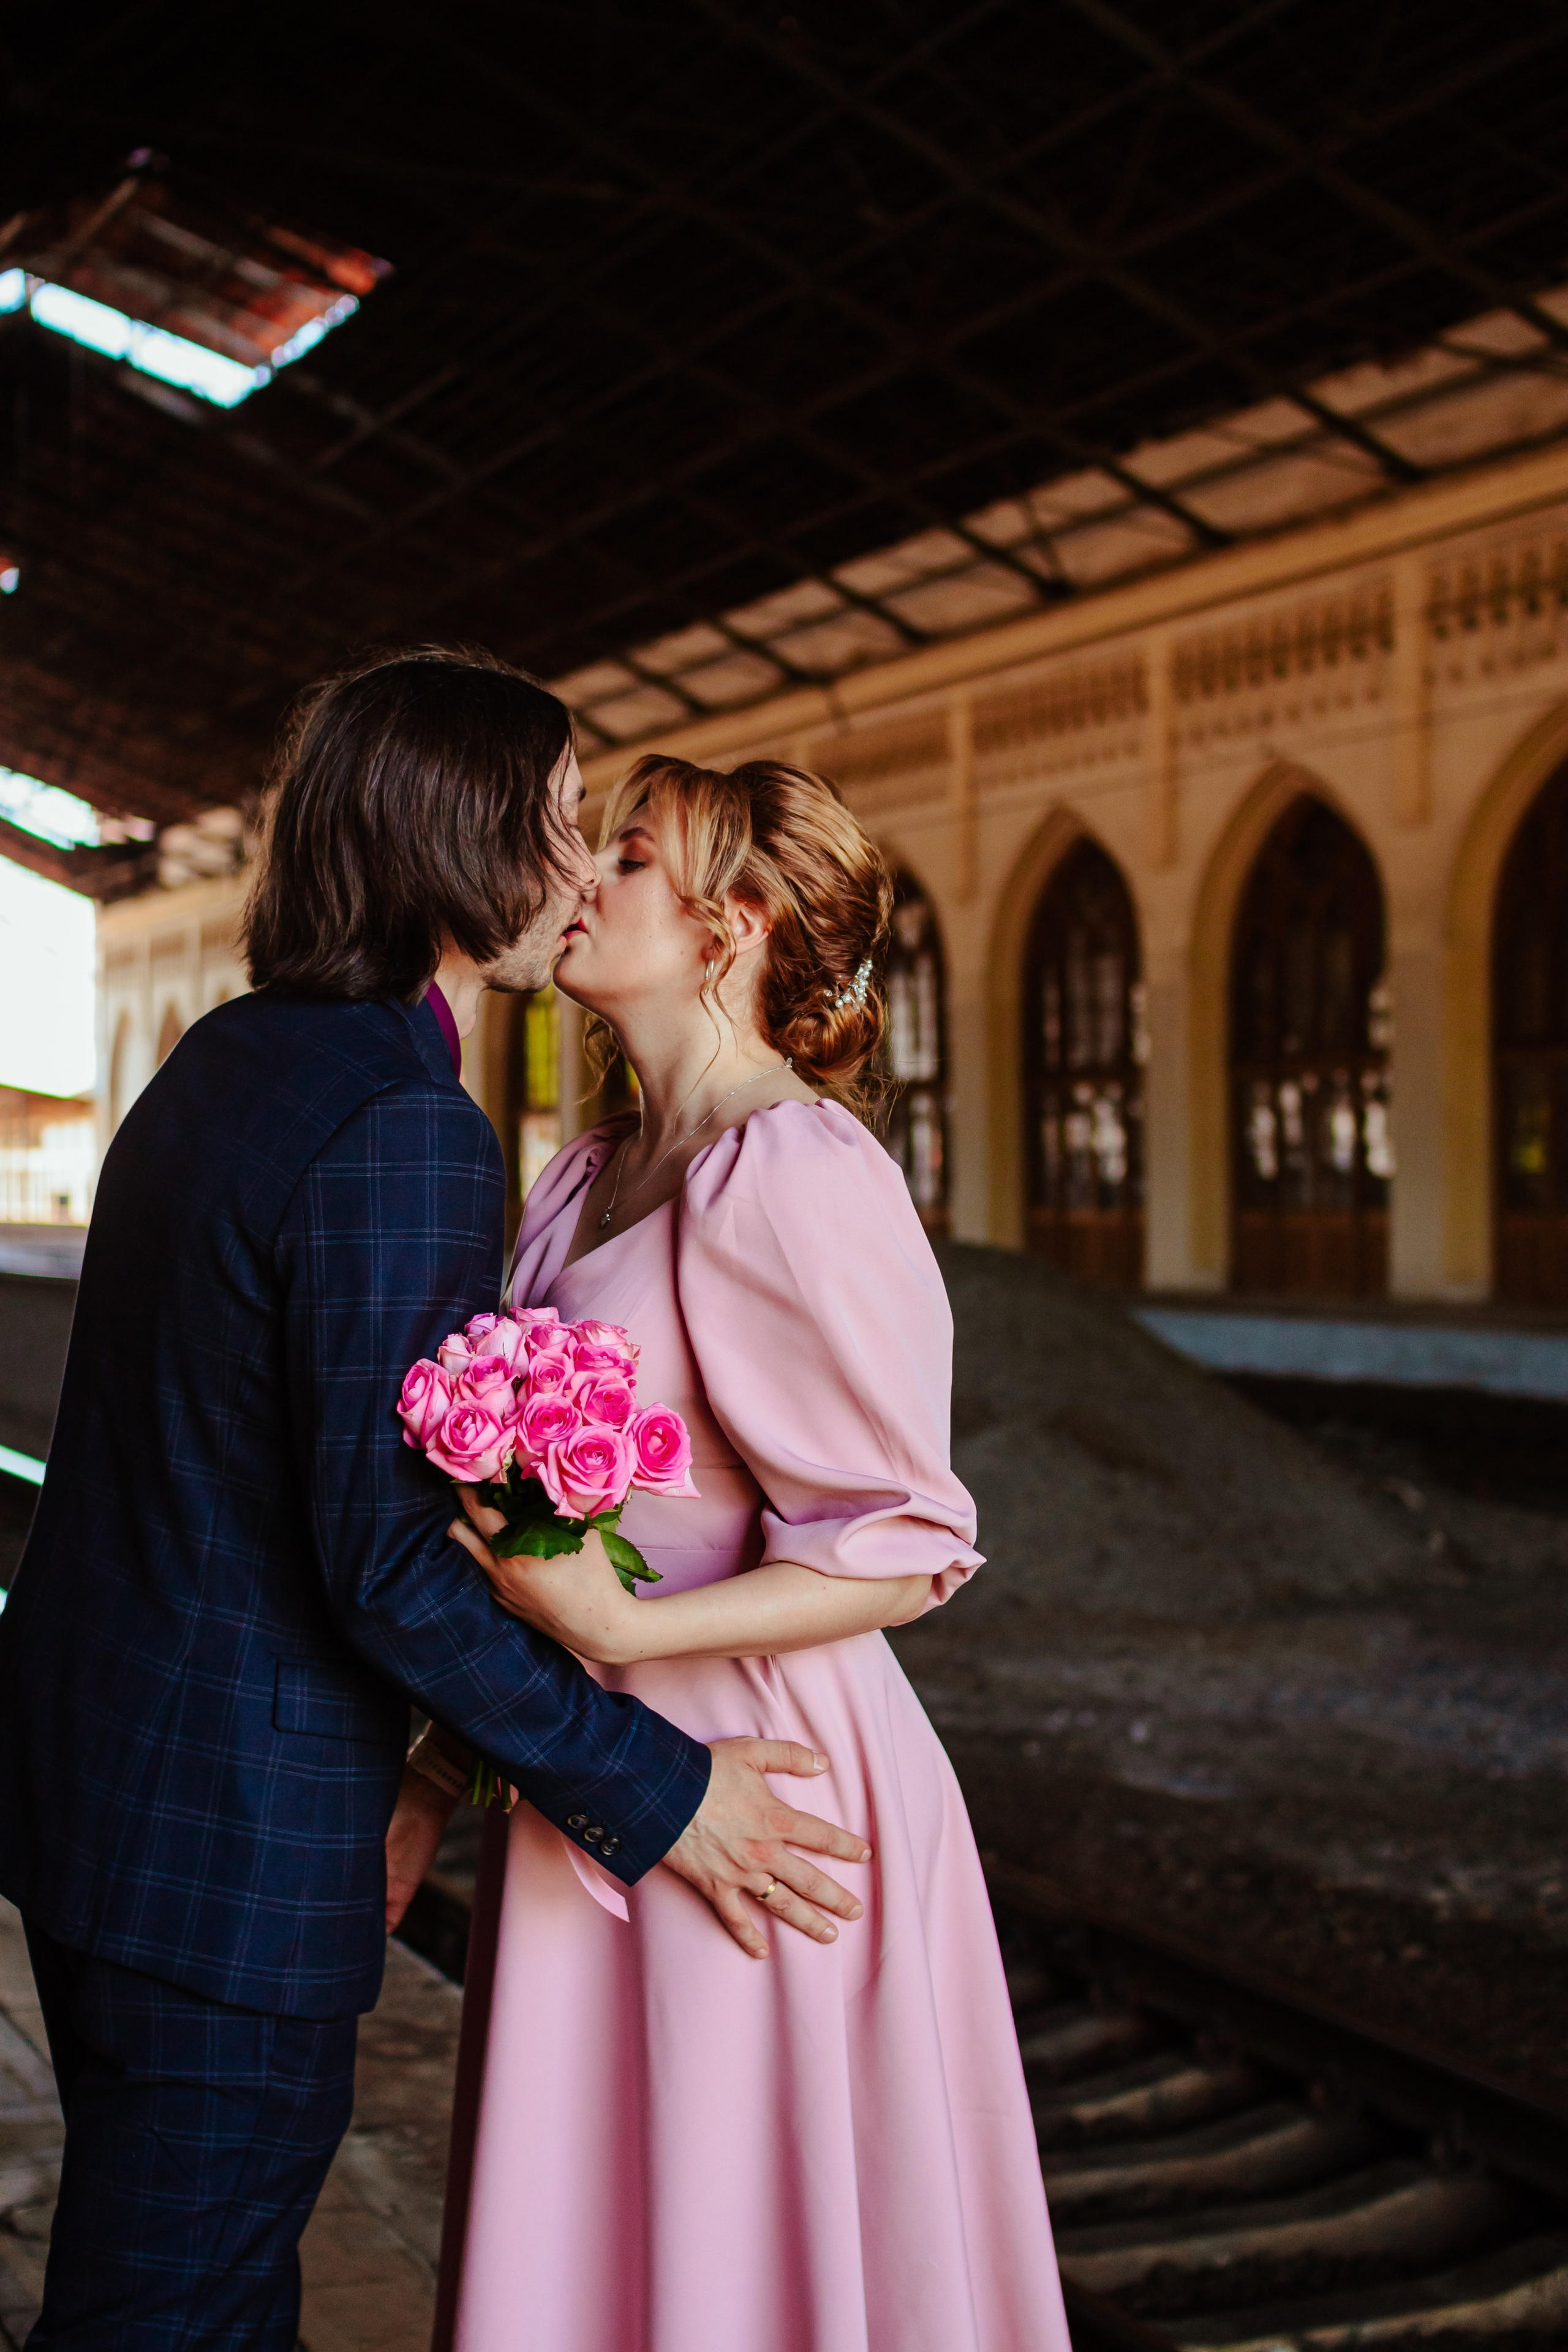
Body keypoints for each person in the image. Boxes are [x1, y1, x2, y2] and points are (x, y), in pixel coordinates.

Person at [0, 652, 867, 2350]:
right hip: (230, 1863)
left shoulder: (233, 1060)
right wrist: (665, 1792)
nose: (577, 864)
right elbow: (389, 1561)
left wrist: (428, 1768)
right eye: (557, 820)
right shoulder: (406, 1127)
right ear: (460, 841)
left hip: (101, 1809)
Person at [436, 755, 1069, 2352]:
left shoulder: (793, 1171)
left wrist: (624, 1633)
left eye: (631, 854)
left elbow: (914, 1540)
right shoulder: (583, 1175)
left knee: (733, 2251)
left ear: (737, 924)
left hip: (759, 1788)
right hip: (594, 1772)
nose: (582, 876)